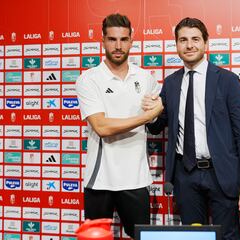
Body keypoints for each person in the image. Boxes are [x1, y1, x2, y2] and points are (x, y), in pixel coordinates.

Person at [144, 17, 240, 239]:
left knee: (227, 236)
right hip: (185, 175)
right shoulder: (170, 83)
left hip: (222, 175)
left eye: (195, 39)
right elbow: (158, 126)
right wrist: (150, 113)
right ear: (176, 44)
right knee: (193, 236)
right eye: (183, 40)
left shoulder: (228, 80)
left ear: (206, 43)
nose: (189, 45)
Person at [76, 13, 163, 239]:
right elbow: (102, 127)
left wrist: (156, 112)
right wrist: (146, 117)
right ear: (103, 41)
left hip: (136, 179)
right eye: (112, 39)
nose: (118, 46)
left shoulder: (145, 78)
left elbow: (155, 122)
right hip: (100, 180)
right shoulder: (89, 79)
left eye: (123, 39)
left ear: (131, 41)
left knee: (141, 237)